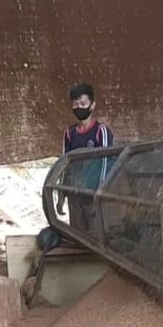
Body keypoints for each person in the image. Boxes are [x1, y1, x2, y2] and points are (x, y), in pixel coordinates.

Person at [55, 83, 117, 232]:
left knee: (97, 237)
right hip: (74, 194)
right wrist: (62, 193)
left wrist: (100, 193)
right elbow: (65, 163)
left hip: (93, 194)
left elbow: (105, 163)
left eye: (83, 103)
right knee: (78, 235)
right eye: (75, 104)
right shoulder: (69, 133)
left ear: (92, 105)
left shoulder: (101, 131)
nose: (79, 108)